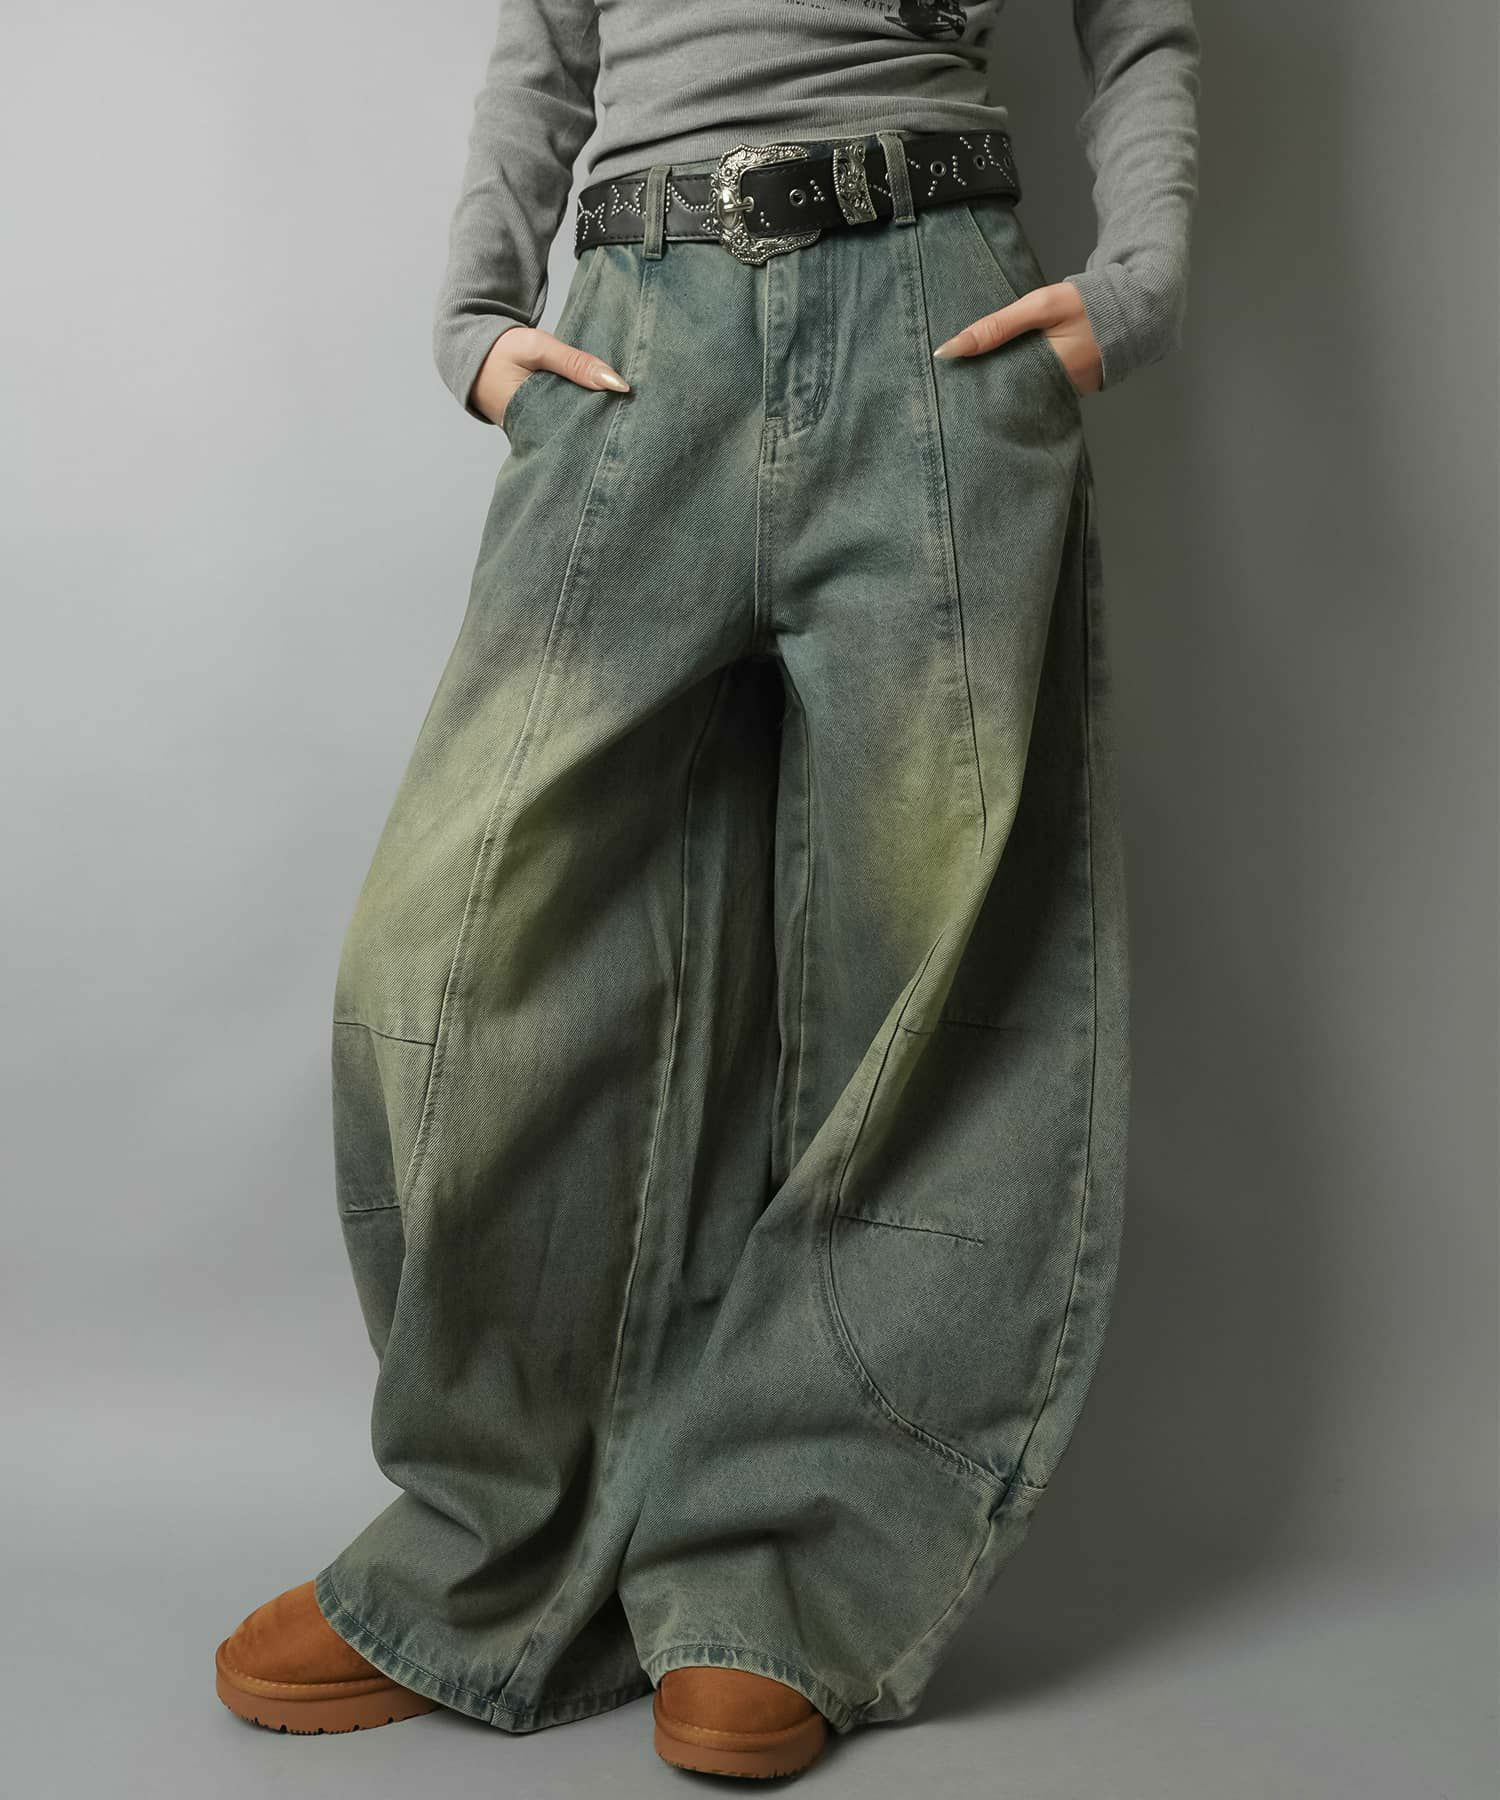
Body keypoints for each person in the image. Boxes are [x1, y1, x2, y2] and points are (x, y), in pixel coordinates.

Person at [213, 0, 1200, 1780]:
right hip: (638, 338)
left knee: (919, 961)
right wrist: (474, 321)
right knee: (450, 946)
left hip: (932, 322)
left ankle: (783, 1571)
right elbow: (544, 46)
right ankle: (494, 1542)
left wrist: (1135, 287)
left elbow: (1142, 32)